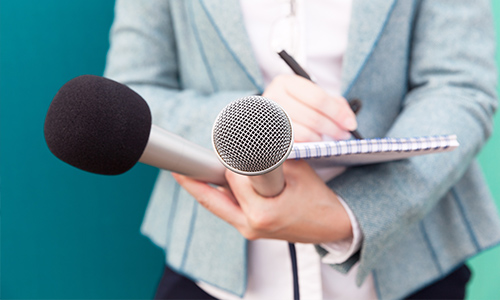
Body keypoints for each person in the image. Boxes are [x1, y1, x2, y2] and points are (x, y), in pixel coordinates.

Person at [104, 0, 500, 299]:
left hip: (408, 263)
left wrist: (353, 215)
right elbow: (129, 93)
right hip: (211, 268)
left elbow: (460, 85)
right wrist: (250, 123)